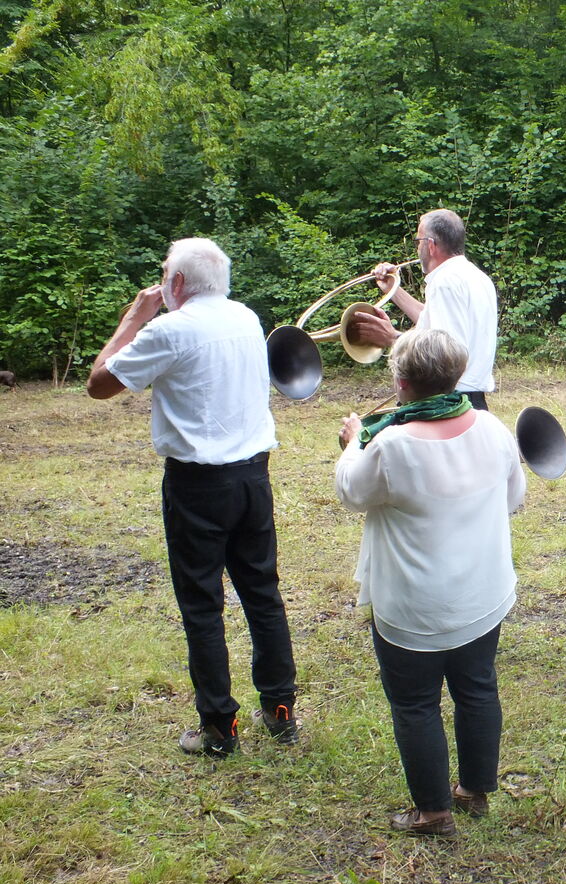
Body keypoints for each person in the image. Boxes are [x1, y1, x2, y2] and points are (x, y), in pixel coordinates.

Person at [87, 238, 298, 758]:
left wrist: (135, 316)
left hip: (199, 484)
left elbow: (97, 384)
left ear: (176, 283)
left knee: (202, 604)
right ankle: (280, 712)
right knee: (262, 594)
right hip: (253, 476)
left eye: (164, 273)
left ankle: (218, 729)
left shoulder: (169, 327)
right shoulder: (246, 317)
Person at [335, 328, 525, 837]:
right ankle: (475, 791)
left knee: (415, 702)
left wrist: (353, 441)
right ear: (456, 375)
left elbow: (351, 492)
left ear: (400, 382)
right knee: (478, 687)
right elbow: (514, 498)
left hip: (415, 607)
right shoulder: (490, 426)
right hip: (482, 593)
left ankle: (433, 812)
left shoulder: (391, 444)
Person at [346, 208, 498, 409]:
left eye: (418, 242)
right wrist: (394, 291)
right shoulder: (476, 277)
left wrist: (393, 338)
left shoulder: (445, 282)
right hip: (471, 400)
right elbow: (432, 321)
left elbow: (445, 356)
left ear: (431, 245)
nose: (417, 249)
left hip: (449, 401)